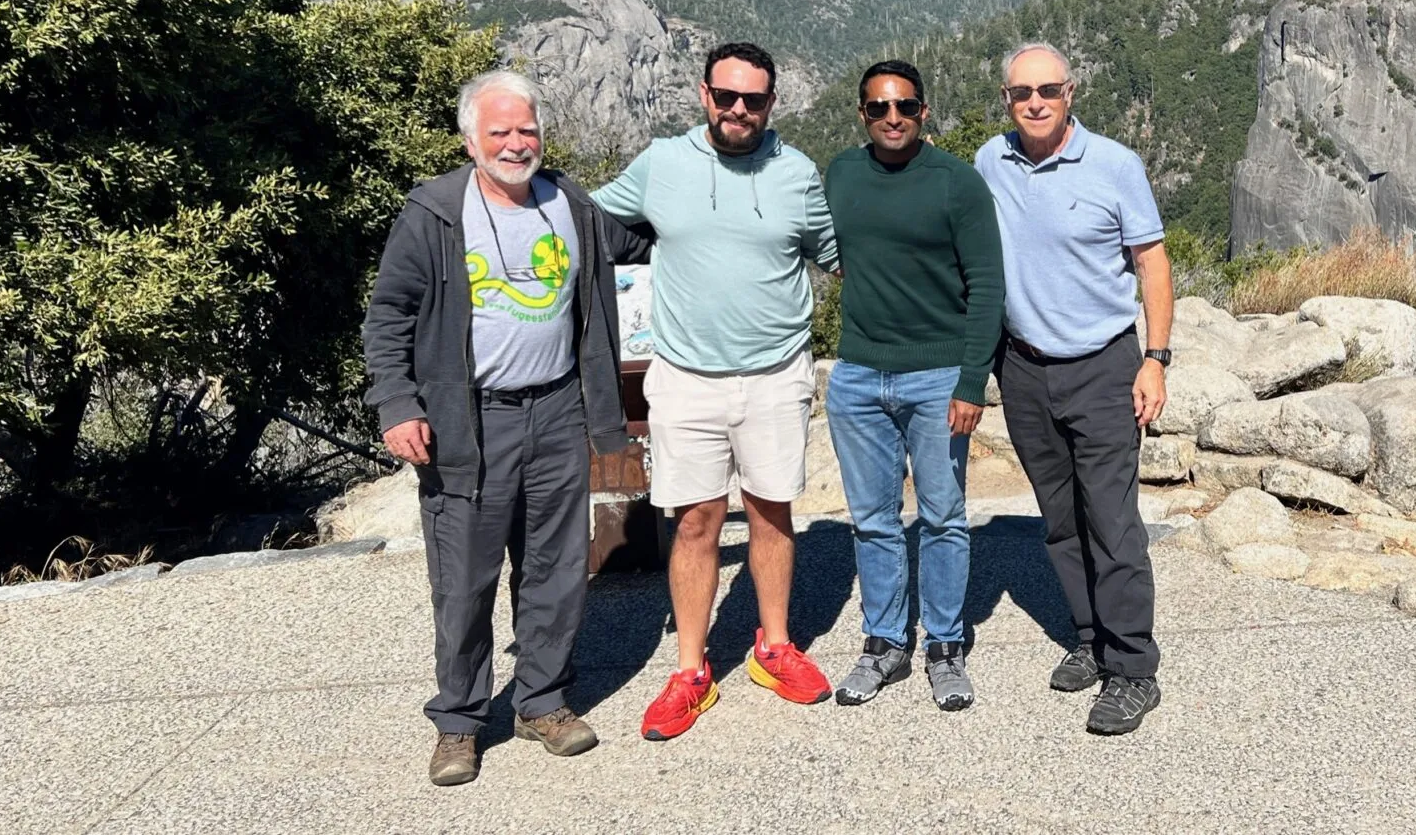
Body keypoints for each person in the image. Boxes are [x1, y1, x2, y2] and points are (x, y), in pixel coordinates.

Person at [363, 70, 644, 786]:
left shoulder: (570, 202)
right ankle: (459, 722)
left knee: (554, 567)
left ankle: (541, 701)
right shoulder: (435, 212)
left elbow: (642, 234)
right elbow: (389, 312)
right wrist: (397, 403)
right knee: (463, 577)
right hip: (469, 418)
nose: (517, 144)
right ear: (469, 140)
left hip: (557, 409)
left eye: (527, 130)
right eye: (501, 132)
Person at [591, 41, 840, 741]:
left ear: (770, 103)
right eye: (726, 96)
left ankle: (775, 646)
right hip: (686, 377)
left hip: (775, 374)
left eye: (753, 99)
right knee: (696, 520)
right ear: (704, 94)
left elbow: (841, 254)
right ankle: (692, 670)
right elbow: (585, 218)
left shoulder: (797, 172)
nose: (738, 109)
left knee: (771, 510)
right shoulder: (661, 164)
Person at [974, 42, 1175, 736]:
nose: (1035, 101)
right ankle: (1090, 636)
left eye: (1049, 89)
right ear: (1006, 99)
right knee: (1058, 518)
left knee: (1112, 520)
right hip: (1024, 368)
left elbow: (1151, 262)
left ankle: (1133, 668)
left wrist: (1156, 358)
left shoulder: (1116, 164)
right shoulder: (988, 161)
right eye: (1022, 91)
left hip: (1103, 365)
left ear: (1072, 91)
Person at [821, 60, 1004, 710]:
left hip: (937, 377)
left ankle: (946, 645)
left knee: (943, 515)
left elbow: (987, 284)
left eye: (903, 105)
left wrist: (971, 381)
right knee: (871, 518)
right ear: (863, 114)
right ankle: (884, 643)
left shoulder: (957, 183)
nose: (891, 116)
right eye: (878, 107)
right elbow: (825, 246)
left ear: (924, 112)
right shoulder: (841, 174)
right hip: (858, 376)